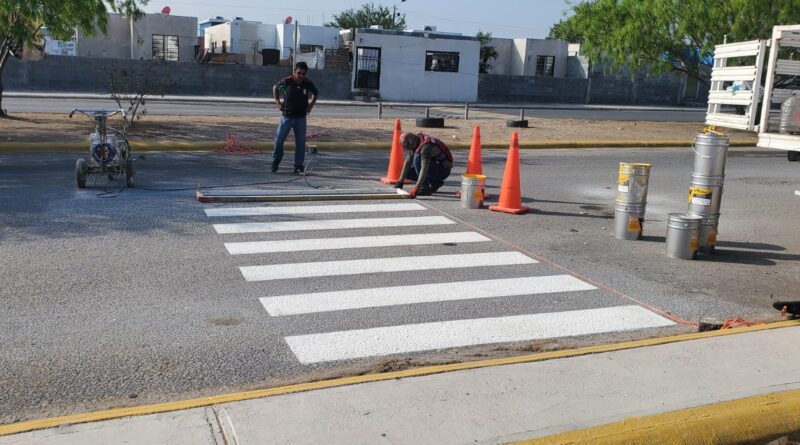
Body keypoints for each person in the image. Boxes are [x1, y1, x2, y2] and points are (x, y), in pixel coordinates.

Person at [272, 61, 318, 174]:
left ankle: (298, 165)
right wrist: (277, 102)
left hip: (301, 118)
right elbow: (275, 88)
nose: (301, 76)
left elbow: (316, 93)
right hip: (287, 117)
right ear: (294, 72)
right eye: (299, 73)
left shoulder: (307, 83)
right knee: (278, 140)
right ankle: (277, 159)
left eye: (304, 73)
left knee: (300, 143)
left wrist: (310, 107)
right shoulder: (287, 81)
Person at [394, 132, 453, 198]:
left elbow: (424, 168)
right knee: (408, 173)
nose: (408, 149)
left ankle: (424, 188)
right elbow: (408, 161)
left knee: (417, 159)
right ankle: (435, 182)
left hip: (443, 171)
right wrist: (400, 181)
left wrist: (417, 187)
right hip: (436, 167)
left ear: (411, 143)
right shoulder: (416, 141)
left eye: (408, 147)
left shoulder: (425, 148)